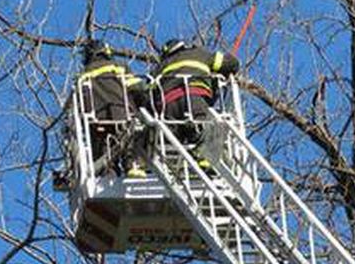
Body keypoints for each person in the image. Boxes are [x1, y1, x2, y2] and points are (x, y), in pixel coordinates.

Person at [151, 39, 240, 168]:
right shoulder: (200, 54)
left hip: (168, 106)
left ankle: (172, 164)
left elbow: (148, 92)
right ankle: (205, 158)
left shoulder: (160, 67)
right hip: (194, 97)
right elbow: (230, 63)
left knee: (171, 140)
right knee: (206, 127)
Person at [76, 40, 147, 177]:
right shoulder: (119, 67)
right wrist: (145, 105)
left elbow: (79, 104)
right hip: (122, 115)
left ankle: (107, 173)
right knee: (130, 142)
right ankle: (133, 165)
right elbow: (136, 89)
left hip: (95, 122)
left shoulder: (83, 76)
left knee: (102, 154)